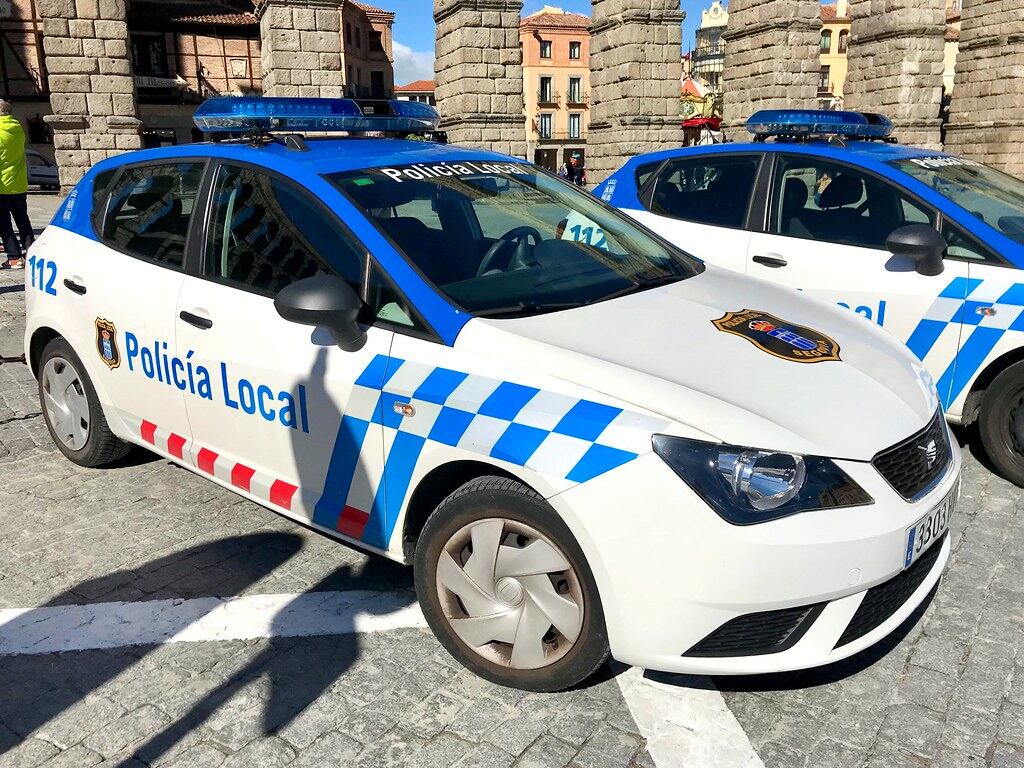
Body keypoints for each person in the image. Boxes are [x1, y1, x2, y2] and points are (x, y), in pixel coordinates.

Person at [0, 100, 34, 269]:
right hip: (19, 183)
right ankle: (30, 252)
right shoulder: (18, 128)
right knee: (23, 219)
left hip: (2, 185)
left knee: (4, 223)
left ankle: (14, 257)